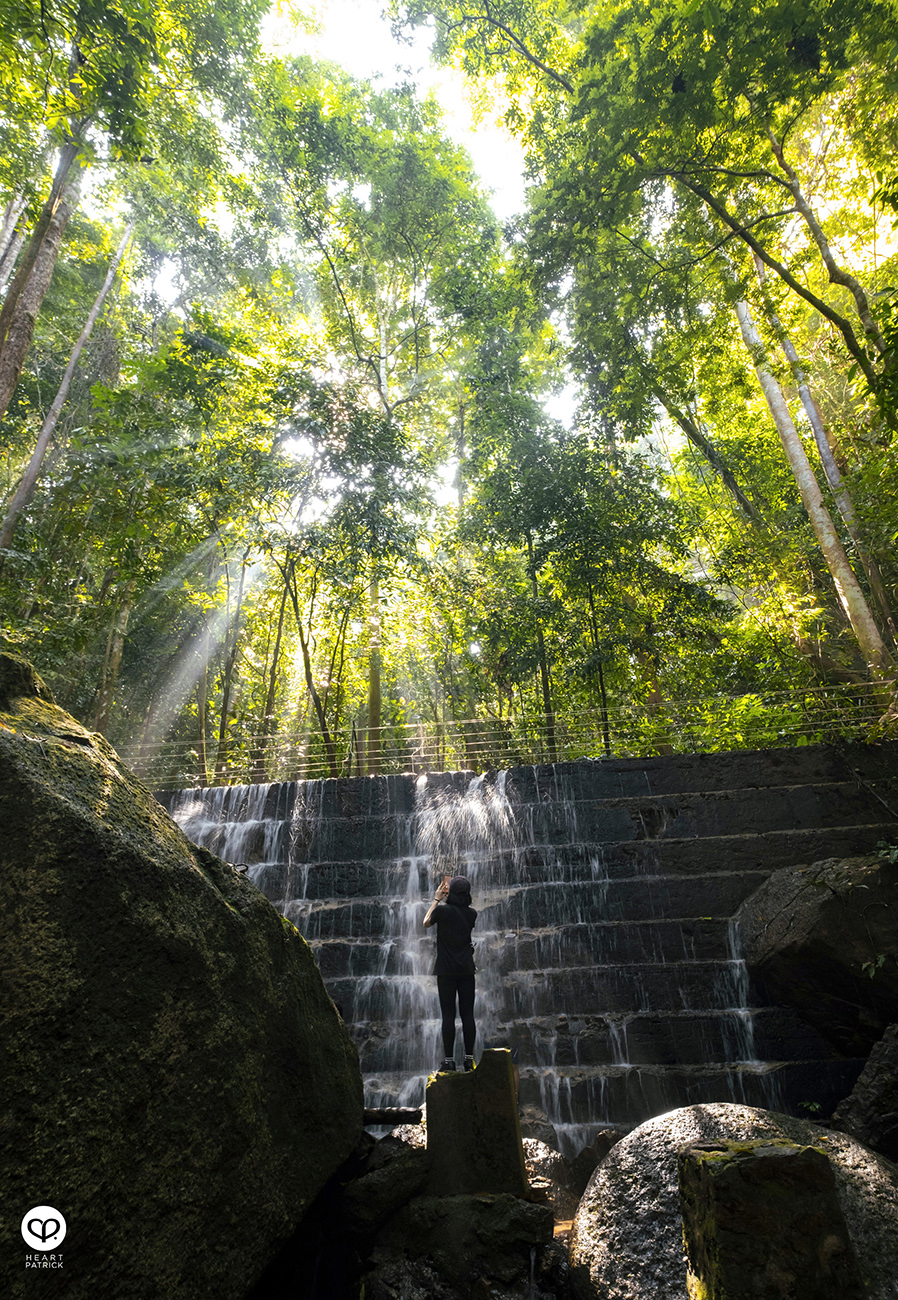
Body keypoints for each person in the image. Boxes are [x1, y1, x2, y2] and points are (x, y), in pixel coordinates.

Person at [423, 874, 477, 1073]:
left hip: (446, 970)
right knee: (468, 1014)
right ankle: (469, 1060)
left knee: (448, 1015)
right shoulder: (472, 914)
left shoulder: (442, 912)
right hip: (466, 970)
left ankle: (449, 1061)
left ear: (449, 892)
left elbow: (426, 922)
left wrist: (437, 898)